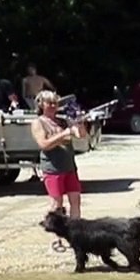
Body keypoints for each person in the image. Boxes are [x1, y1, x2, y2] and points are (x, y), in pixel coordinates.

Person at [30, 90, 86, 220]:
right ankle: (57, 237)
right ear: (41, 104)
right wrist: (64, 133)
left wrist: (80, 122)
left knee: (75, 201)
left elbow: (81, 135)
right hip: (53, 169)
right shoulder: (38, 123)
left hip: (69, 167)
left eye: (55, 103)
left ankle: (75, 233)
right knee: (57, 205)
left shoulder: (62, 121)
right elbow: (43, 144)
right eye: (49, 103)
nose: (53, 106)